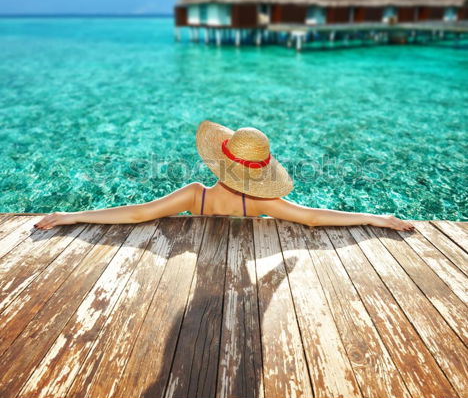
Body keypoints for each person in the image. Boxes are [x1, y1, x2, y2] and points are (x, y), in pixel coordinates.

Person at [34, 120, 415, 231]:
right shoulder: (264, 203)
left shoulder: (194, 196)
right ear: (262, 171)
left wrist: (72, 216)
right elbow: (315, 217)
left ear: (219, 160)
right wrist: (376, 218)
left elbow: (136, 213)